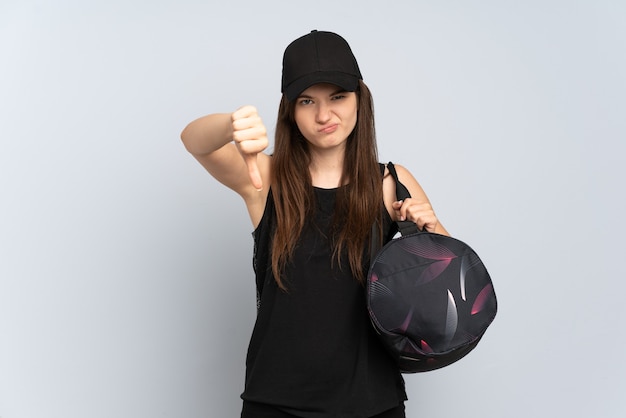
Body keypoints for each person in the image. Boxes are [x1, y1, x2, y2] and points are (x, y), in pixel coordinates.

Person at [181, 30, 449, 418]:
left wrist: (433, 231)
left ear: (361, 98)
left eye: (337, 97)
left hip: (372, 403)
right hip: (276, 402)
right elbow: (193, 142)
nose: (324, 116)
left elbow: (447, 290)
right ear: (289, 109)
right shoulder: (265, 178)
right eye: (307, 101)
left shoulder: (391, 182)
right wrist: (230, 126)